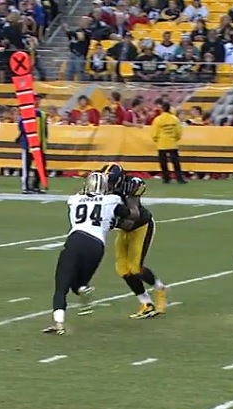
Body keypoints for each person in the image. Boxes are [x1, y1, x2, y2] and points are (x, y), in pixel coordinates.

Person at [43, 172, 130, 335]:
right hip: (96, 245)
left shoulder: (74, 199)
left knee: (61, 286)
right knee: (79, 283)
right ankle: (83, 288)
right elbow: (126, 214)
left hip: (76, 240)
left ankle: (59, 323)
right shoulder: (112, 200)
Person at [100, 163, 168, 319]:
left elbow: (133, 216)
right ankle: (146, 303)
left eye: (110, 182)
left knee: (135, 267)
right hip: (124, 229)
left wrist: (111, 222)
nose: (107, 185)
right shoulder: (101, 186)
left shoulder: (131, 185)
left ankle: (159, 287)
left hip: (140, 226)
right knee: (123, 269)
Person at [17, 100, 48, 194]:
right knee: (26, 166)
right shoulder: (26, 113)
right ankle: (25, 186)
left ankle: (35, 185)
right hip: (28, 143)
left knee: (41, 165)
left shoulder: (41, 114)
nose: (36, 101)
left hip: (39, 144)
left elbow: (45, 130)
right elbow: (22, 127)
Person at [151, 101, 185, 184]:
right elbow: (178, 132)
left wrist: (156, 139)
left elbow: (154, 133)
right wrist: (175, 139)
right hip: (172, 143)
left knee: (163, 162)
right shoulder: (175, 119)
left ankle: (166, 178)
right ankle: (179, 178)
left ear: (162, 109)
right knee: (176, 162)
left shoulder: (158, 119)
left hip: (161, 143)